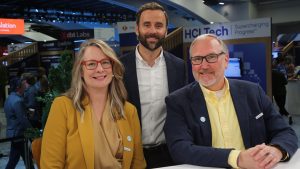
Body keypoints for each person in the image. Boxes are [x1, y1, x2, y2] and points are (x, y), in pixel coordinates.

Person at [164, 34, 298, 169]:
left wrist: (276, 150)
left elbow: (285, 132)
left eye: (211, 57)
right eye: (197, 59)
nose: (203, 66)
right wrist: (236, 158)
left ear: (226, 60)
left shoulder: (253, 92)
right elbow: (180, 149)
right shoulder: (178, 101)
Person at [40, 39, 146, 169]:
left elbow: (138, 164)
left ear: (113, 68)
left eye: (105, 62)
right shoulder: (63, 107)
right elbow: (50, 165)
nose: (100, 69)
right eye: (91, 64)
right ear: (81, 71)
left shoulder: (129, 111)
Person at [120, 2, 187, 168]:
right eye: (146, 25)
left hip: (169, 153)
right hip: (130, 154)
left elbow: (183, 111)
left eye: (159, 25)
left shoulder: (179, 66)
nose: (152, 31)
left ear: (165, 30)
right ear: (137, 29)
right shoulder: (119, 67)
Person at [4, 77, 34, 169]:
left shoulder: (9, 98)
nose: (25, 85)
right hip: (18, 134)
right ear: (18, 87)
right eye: (23, 84)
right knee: (27, 158)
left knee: (14, 159)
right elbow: (23, 120)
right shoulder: (18, 101)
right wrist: (33, 132)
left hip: (13, 133)